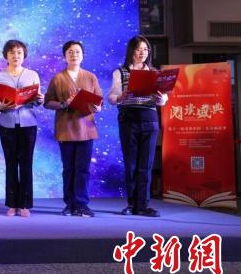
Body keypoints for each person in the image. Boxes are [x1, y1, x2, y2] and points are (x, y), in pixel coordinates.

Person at [108, 35, 167, 217]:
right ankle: (131, 204)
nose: (142, 53)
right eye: (138, 49)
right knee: (131, 163)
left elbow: (164, 99)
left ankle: (143, 205)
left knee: (146, 164)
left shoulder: (155, 73)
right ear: (131, 51)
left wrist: (161, 98)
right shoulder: (120, 72)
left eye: (145, 50)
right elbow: (111, 97)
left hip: (150, 118)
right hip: (129, 118)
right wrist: (121, 97)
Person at [44, 40, 102, 218]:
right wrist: (64, 104)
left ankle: (82, 204)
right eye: (70, 52)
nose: (74, 55)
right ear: (65, 56)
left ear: (82, 55)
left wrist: (97, 107)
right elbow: (47, 102)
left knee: (83, 169)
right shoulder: (58, 78)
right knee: (69, 169)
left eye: (77, 52)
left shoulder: (91, 77)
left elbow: (99, 101)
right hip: (66, 130)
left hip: (86, 130)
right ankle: (69, 204)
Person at [0, 40, 44, 217]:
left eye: (19, 52)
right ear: (6, 55)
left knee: (26, 164)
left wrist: (40, 99)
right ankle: (12, 204)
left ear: (24, 55)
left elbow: (37, 101)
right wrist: (0, 107)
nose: (16, 56)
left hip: (28, 124)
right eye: (12, 52)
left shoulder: (32, 75)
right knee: (11, 163)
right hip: (7, 124)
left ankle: (25, 204)